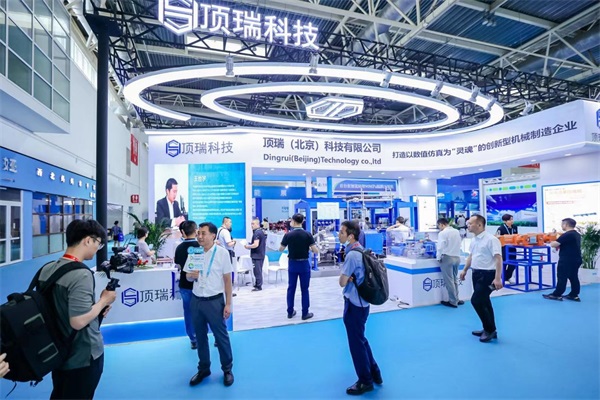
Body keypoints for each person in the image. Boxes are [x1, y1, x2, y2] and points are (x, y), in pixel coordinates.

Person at [38, 219, 117, 399]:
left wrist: (96, 309)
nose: (98, 248)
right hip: (82, 355)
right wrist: (103, 301)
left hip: (58, 350)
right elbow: (78, 321)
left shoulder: (47, 269)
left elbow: (58, 307)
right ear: (88, 240)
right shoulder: (81, 274)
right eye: (98, 243)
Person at [186, 222, 234, 388]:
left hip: (215, 301)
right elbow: (188, 277)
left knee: (221, 337)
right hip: (197, 300)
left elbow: (227, 281)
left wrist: (228, 304)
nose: (199, 236)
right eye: (198, 233)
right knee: (200, 337)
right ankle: (204, 369)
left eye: (203, 233)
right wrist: (191, 275)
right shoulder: (194, 252)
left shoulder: (222, 254)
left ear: (213, 235)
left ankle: (227, 369)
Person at [338, 220, 382, 395]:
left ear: (350, 236)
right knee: (361, 339)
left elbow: (342, 282)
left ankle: (365, 381)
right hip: (364, 303)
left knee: (356, 344)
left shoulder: (351, 255)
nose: (339, 235)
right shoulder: (362, 250)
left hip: (354, 305)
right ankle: (375, 372)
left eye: (342, 232)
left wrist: (346, 277)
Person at [459, 215, 503, 343]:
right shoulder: (474, 240)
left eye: (470, 223)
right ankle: (489, 328)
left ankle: (490, 330)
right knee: (484, 301)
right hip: (476, 273)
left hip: (488, 275)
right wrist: (465, 270)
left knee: (476, 300)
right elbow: (471, 256)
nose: (467, 225)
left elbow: (498, 259)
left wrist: (498, 278)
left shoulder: (491, 240)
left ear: (479, 225)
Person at [279, 213, 319, 320]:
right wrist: (308, 248)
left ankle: (290, 312)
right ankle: (305, 313)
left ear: (293, 221)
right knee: (305, 289)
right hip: (304, 264)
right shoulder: (307, 234)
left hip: (292, 264)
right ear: (302, 221)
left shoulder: (288, 235)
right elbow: (315, 250)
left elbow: (280, 249)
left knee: (291, 288)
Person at [543, 218, 582, 302]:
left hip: (567, 260)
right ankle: (574, 294)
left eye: (562, 224)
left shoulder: (567, 235)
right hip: (576, 259)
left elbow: (554, 244)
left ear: (566, 225)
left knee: (562, 276)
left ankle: (557, 294)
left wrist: (550, 240)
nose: (561, 226)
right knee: (573, 277)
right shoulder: (577, 234)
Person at [174, 221, 199, 350]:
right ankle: (205, 336)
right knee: (205, 311)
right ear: (196, 230)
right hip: (200, 283)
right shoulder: (201, 246)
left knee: (188, 312)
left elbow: (178, 265)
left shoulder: (179, 248)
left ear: (183, 232)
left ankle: (193, 339)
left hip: (185, 284)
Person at [437, 218, 464, 308]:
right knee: (455, 279)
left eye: (439, 226)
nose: (439, 228)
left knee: (449, 281)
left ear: (441, 224)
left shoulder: (442, 233)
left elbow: (440, 247)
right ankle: (456, 299)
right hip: (457, 257)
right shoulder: (456, 231)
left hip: (447, 257)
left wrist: (438, 257)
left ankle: (453, 301)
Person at [244, 218, 267, 291]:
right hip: (259, 254)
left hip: (257, 255)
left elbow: (256, 245)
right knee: (257, 270)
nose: (252, 225)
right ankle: (257, 284)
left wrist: (248, 246)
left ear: (258, 224)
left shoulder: (257, 233)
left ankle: (258, 286)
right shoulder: (260, 232)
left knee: (257, 271)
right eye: (251, 224)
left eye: (253, 224)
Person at [495, 213, 518, 284]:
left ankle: (508, 277)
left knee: (513, 263)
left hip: (513, 248)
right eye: (510, 220)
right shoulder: (501, 228)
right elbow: (496, 237)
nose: (512, 221)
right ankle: (503, 278)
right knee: (504, 263)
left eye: (512, 219)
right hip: (504, 248)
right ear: (505, 221)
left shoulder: (514, 227)